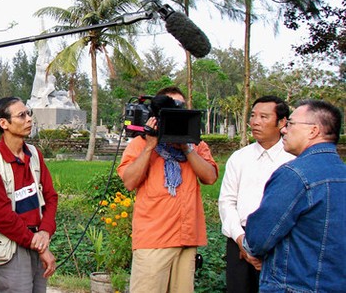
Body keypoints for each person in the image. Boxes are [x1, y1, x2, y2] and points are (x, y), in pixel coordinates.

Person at [117, 86, 218, 293]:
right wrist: (149, 147)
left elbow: (209, 177)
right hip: (154, 239)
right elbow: (129, 181)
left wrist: (187, 147)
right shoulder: (140, 144)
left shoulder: (196, 145)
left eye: (179, 108)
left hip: (186, 238)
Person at [244, 100, 346, 292]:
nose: (284, 130)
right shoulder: (341, 173)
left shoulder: (295, 175)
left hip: (293, 284)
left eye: (290, 124)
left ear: (313, 131)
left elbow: (258, 239)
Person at [0, 97, 58, 292]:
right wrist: (36, 243)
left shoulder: (34, 155)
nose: (29, 119)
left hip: (37, 239)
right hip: (10, 247)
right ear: (3, 123)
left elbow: (50, 197)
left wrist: (45, 232)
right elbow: (1, 217)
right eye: (21, 115)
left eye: (29, 113)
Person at [218, 96, 295, 293]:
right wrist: (241, 240)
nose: (255, 122)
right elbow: (227, 202)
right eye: (253, 116)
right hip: (240, 242)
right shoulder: (239, 158)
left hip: (282, 244)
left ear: (282, 122)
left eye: (263, 116)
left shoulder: (293, 160)